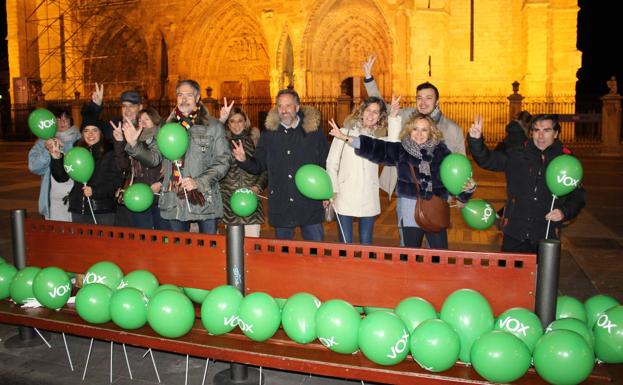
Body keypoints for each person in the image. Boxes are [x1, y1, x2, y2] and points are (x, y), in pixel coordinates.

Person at [330, 111, 475, 249]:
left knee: (438, 255)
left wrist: (467, 190)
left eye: (424, 130)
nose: (419, 134)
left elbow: (453, 181)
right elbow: (376, 148)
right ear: (409, 130)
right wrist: (347, 138)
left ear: (431, 132)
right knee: (410, 256)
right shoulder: (402, 150)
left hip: (435, 209)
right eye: (415, 129)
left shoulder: (441, 152)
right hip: (409, 212)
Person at [467, 114, 586, 253]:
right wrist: (476, 141)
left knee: (542, 275)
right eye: (536, 130)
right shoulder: (518, 154)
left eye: (546, 130)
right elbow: (488, 160)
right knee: (510, 274)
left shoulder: (566, 160)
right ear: (531, 132)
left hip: (546, 234)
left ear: (556, 133)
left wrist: (564, 212)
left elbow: (579, 196)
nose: (540, 136)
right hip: (514, 233)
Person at [126, 79, 230, 234]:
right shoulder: (166, 127)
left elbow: (224, 161)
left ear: (198, 97)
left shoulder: (212, 126)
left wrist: (198, 182)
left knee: (208, 252)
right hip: (174, 199)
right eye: (180, 95)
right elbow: (154, 158)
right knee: (179, 252)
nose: (184, 99)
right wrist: (135, 145)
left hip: (204, 199)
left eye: (189, 95)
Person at [232, 88, 329, 241]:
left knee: (316, 250)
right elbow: (258, 165)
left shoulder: (313, 132)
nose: (283, 110)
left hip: (309, 202)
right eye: (280, 106)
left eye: (288, 106)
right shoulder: (269, 134)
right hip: (281, 202)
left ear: (297, 108)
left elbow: (325, 162)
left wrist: (326, 193)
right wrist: (244, 160)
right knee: (283, 255)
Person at [326, 95, 400, 244]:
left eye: (376, 112)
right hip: (345, 193)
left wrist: (393, 116)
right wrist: (333, 190)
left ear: (380, 117)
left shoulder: (377, 138)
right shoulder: (344, 132)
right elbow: (331, 163)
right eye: (368, 110)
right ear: (362, 111)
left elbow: (393, 143)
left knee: (366, 241)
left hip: (368, 194)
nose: (371, 115)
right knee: (346, 242)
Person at [362, 55, 465, 155]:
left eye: (428, 98)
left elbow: (460, 162)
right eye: (419, 98)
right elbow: (380, 106)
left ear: (437, 101)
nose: (423, 103)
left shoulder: (452, 129)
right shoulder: (406, 115)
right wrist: (368, 77)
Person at [83, 83, 144, 226]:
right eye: (124, 106)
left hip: (143, 189)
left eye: (132, 106)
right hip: (118, 191)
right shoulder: (114, 126)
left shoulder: (146, 126)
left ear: (140, 107)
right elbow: (89, 123)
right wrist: (95, 106)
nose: (127, 110)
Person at [49, 117, 121, 225]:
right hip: (78, 208)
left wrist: (94, 191)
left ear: (101, 133)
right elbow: (62, 177)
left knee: (101, 242)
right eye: (86, 131)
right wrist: (56, 158)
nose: (90, 134)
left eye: (94, 130)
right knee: (81, 242)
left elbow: (115, 182)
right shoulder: (77, 151)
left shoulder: (110, 152)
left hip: (102, 210)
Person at [112, 107, 169, 230]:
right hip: (139, 195)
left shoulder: (164, 138)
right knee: (144, 234)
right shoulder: (133, 140)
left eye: (146, 119)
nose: (142, 122)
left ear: (155, 121)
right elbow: (123, 166)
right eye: (139, 120)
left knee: (163, 234)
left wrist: (161, 182)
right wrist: (120, 142)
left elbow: (171, 164)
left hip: (160, 195)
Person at [218, 104, 268, 237]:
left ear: (245, 122)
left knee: (251, 246)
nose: (236, 125)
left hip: (251, 201)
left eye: (240, 121)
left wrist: (258, 187)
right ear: (228, 124)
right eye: (232, 121)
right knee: (233, 249)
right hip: (230, 203)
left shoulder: (256, 142)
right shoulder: (221, 143)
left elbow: (265, 169)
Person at [28, 107, 81, 221]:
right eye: (58, 119)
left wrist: (65, 147)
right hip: (53, 198)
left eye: (65, 119)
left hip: (76, 196)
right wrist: (48, 151)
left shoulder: (80, 140)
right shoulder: (42, 142)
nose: (62, 122)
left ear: (71, 121)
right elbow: (34, 167)